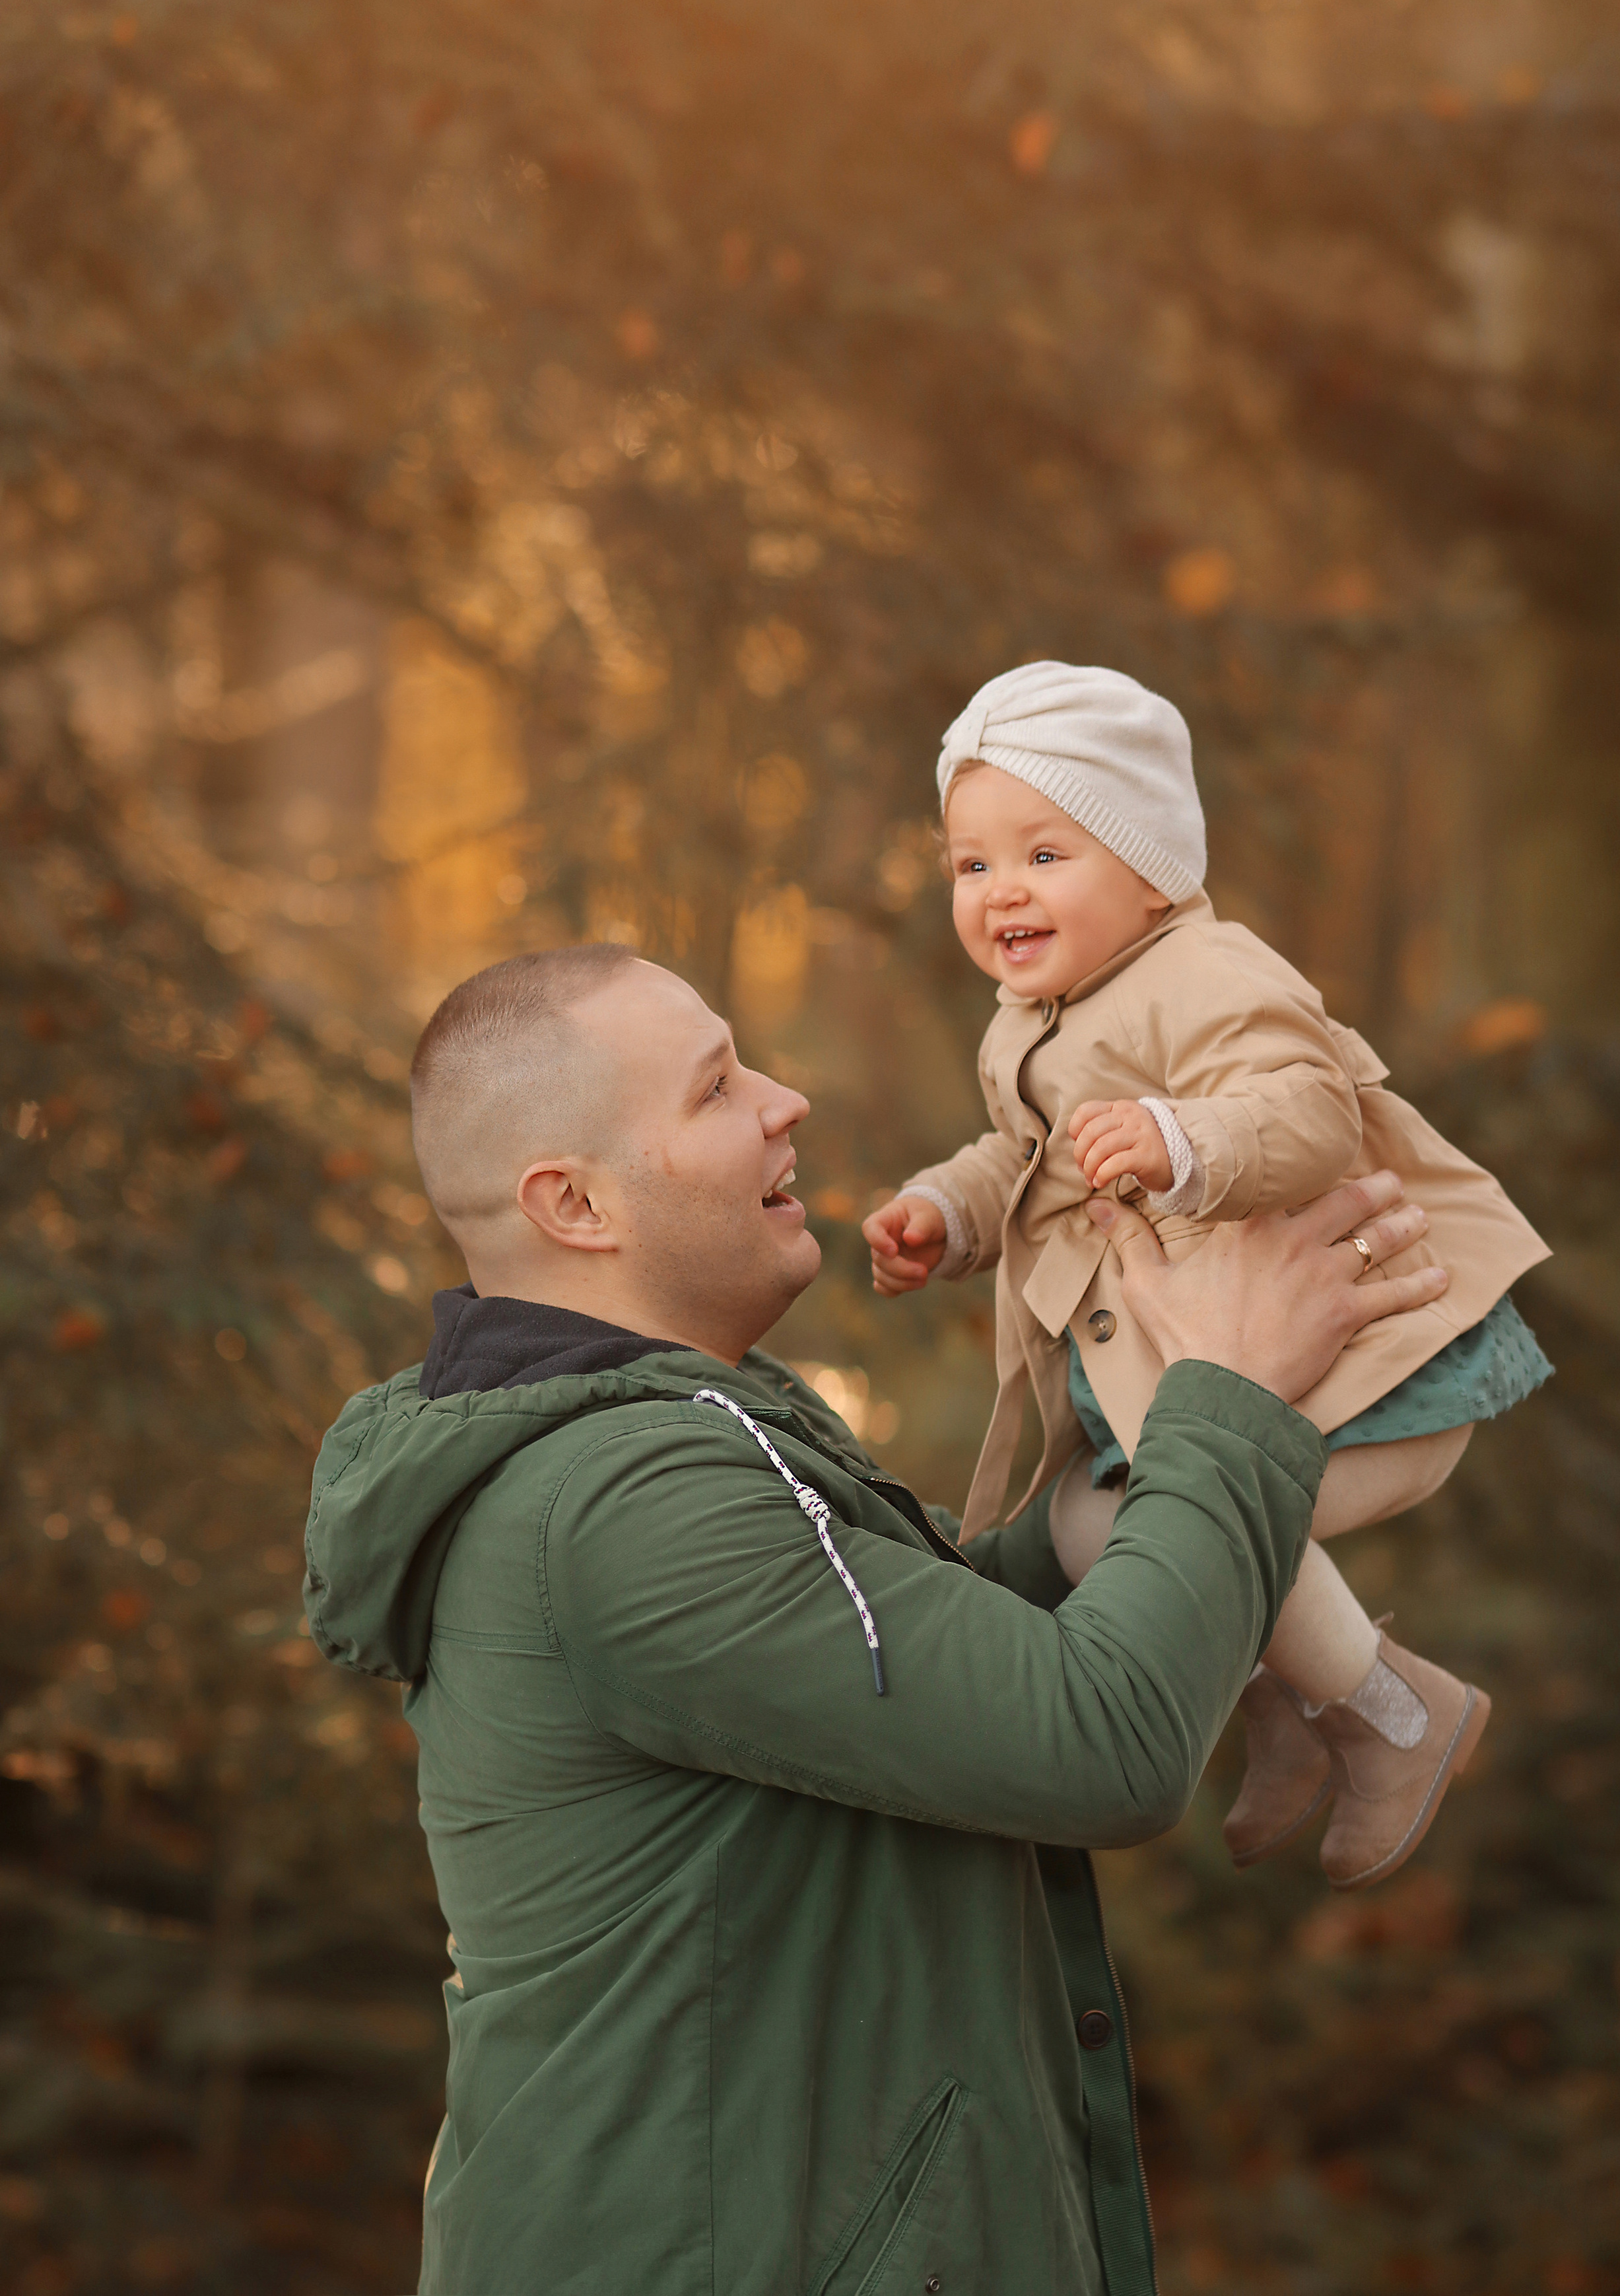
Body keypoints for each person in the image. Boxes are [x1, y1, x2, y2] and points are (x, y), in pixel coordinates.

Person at [305, 942, 1450, 2295]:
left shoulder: (681, 1439)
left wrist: (1133, 1483)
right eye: (716, 1087)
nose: (783, 1101)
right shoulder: (621, 1504)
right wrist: (1225, 1391)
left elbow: (933, 1666)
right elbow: (1102, 1741)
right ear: (573, 1204)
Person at [863, 660, 1551, 1891]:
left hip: (1372, 1372)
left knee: (1121, 1528)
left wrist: (1189, 1145)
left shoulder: (1208, 973)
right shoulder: (1033, 1015)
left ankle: (1402, 1717)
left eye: (1044, 854)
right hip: (1234, 1382)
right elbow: (1022, 1160)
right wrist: (946, 1215)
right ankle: (1294, 1709)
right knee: (1108, 1524)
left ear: (1150, 867)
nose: (1000, 891)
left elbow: (1313, 1112)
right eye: (971, 866)